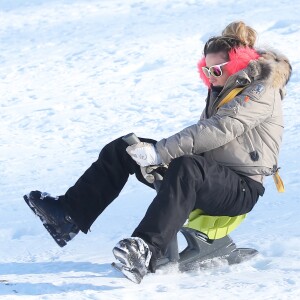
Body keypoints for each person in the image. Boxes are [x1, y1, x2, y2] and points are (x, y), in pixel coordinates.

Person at [24, 21, 292, 283]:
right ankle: (69, 215)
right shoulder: (224, 88)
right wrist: (152, 154)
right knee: (125, 149)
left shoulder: (261, 89)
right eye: (207, 70)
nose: (212, 76)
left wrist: (159, 153)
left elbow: (219, 129)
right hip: (207, 176)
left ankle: (145, 249)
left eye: (218, 69)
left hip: (241, 188)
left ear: (238, 63)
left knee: (186, 165)